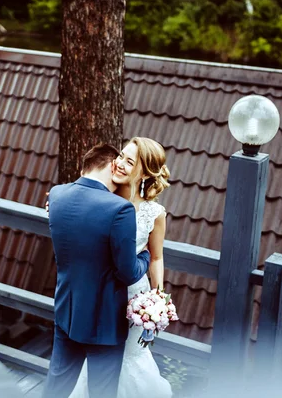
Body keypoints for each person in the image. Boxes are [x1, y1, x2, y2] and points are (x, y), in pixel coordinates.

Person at [43, 143, 151, 398]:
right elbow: (127, 272)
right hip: (104, 322)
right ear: (112, 164)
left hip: (66, 310)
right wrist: (144, 257)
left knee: (56, 387)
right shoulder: (119, 209)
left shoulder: (56, 195)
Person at [70, 137, 173, 398]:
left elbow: (156, 257)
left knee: (131, 356)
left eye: (130, 161)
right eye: (121, 157)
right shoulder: (101, 194)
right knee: (98, 356)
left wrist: (157, 300)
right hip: (100, 292)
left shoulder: (154, 213)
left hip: (134, 296)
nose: (119, 164)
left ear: (145, 173)